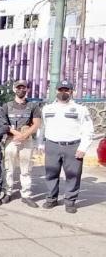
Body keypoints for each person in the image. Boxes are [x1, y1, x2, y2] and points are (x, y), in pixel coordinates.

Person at [39, 80, 93, 213]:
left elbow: (88, 130)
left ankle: (70, 201)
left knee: (73, 175)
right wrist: (40, 143)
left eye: (66, 90)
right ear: (56, 91)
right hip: (52, 145)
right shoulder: (47, 108)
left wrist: (83, 147)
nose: (63, 92)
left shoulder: (81, 109)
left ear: (71, 92)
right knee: (51, 174)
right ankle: (51, 199)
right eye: (61, 90)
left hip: (73, 146)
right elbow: (43, 127)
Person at [2, 80, 42, 207]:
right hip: (11, 140)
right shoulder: (7, 106)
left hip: (27, 140)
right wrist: (16, 134)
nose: (21, 90)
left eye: (23, 88)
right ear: (14, 89)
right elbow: (3, 124)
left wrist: (24, 136)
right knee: (9, 168)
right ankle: (8, 192)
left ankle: (26, 195)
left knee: (26, 170)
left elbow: (36, 124)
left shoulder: (33, 106)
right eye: (18, 87)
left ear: (27, 90)